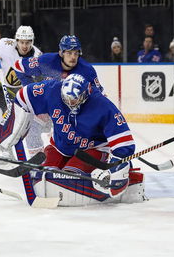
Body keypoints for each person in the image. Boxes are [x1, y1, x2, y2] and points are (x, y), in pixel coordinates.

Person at [12, 73, 144, 205]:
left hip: (91, 150)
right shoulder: (53, 90)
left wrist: (119, 164)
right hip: (60, 146)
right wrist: (12, 122)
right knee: (44, 174)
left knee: (70, 175)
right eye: (66, 98)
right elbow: (24, 95)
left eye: (74, 99)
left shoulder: (101, 104)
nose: (69, 103)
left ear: (85, 94)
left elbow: (122, 137)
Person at [0, 25, 46, 163]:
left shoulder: (38, 57)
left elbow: (41, 83)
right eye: (21, 42)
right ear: (16, 40)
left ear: (32, 42)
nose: (24, 46)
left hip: (23, 94)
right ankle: (5, 152)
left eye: (27, 42)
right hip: (0, 88)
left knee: (27, 127)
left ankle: (37, 157)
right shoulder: (4, 44)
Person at [14, 34, 104, 94]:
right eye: (69, 53)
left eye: (76, 53)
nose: (73, 57)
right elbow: (18, 66)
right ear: (61, 53)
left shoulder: (87, 70)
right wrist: (31, 90)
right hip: (49, 104)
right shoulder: (46, 61)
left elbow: (100, 95)